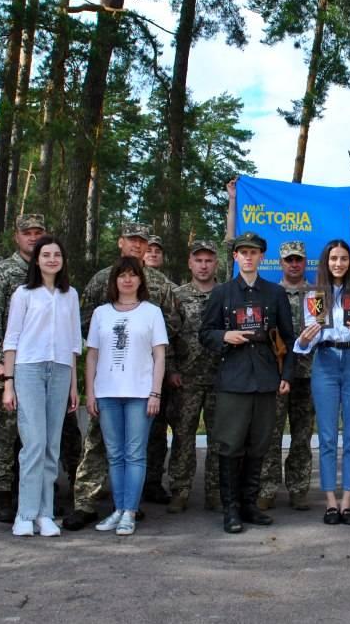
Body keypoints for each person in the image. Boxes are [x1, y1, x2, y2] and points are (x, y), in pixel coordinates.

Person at [65, 223, 181, 530]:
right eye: (131, 239)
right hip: (108, 384)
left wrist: (159, 373)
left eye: (142, 241)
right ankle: (87, 501)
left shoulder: (160, 284)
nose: (137, 245)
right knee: (99, 445)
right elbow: (86, 323)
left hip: (144, 380)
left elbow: (173, 325)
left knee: (143, 446)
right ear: (121, 242)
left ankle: (134, 502)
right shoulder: (102, 279)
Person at [199, 232, 297, 534]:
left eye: (254, 253)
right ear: (235, 257)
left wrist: (286, 375)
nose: (248, 257)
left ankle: (249, 505)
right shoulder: (222, 293)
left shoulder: (274, 293)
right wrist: (224, 335)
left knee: (259, 445)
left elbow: (288, 337)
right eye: (243, 252)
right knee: (230, 445)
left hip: (266, 378)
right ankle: (230, 509)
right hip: (234, 378)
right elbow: (205, 333)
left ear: (261, 257)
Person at [293, 240, 350, 525]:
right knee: (328, 436)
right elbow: (308, 339)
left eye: (343, 259)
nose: (338, 264)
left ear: (349, 263)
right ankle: (330, 501)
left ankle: (347, 501)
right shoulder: (316, 295)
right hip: (326, 362)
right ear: (326, 262)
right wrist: (304, 340)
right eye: (334, 258)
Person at [1, 236, 82, 537]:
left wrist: (74, 385)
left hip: (60, 370)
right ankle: (25, 514)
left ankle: (45, 514)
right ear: (37, 260)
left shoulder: (70, 295)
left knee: (51, 445)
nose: (51, 259)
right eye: (45, 254)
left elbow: (73, 343)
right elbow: (11, 340)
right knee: (33, 443)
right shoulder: (24, 294)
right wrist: (8, 383)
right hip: (29, 370)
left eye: (56, 254)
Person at [84, 257, 167, 537]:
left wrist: (155, 392)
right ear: (115, 280)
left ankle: (130, 511)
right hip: (107, 393)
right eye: (122, 275)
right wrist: (90, 392)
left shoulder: (152, 312)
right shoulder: (101, 313)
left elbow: (159, 356)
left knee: (134, 454)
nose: (127, 280)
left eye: (133, 275)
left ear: (141, 280)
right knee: (115, 454)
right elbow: (92, 355)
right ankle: (118, 509)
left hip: (140, 394)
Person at [0, 214, 48, 522]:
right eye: (27, 233)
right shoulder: (5, 271)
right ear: (16, 237)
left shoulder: (48, 268)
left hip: (40, 363)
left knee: (34, 431)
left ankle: (31, 492)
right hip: (11, 362)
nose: (32, 237)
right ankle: (1, 492)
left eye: (38, 232)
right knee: (6, 431)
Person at [257, 240, 316, 512]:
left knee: (302, 436)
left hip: (308, 374)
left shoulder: (316, 295)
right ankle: (267, 489)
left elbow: (323, 332)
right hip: (277, 375)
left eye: (298, 259)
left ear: (305, 262)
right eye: (289, 259)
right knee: (271, 435)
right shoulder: (269, 294)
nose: (294, 264)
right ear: (280, 263)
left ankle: (299, 489)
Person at [168, 241, 223, 513]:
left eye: (208, 261)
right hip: (186, 379)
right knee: (182, 436)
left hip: (219, 377)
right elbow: (167, 336)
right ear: (190, 263)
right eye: (198, 260)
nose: (203, 266)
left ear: (216, 264)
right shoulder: (177, 296)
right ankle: (180, 490)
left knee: (219, 438)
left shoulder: (226, 294)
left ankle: (216, 491)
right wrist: (171, 369)